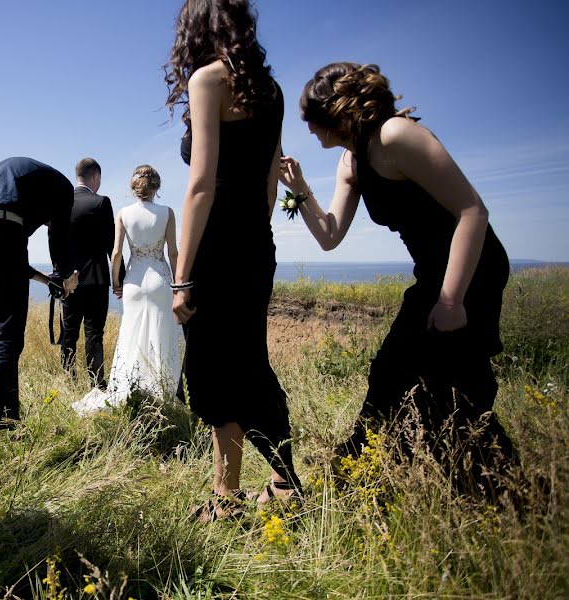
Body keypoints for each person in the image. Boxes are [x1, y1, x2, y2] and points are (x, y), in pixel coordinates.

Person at [279, 62, 519, 496]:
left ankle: (508, 494)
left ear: (333, 110)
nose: (309, 130)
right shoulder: (352, 161)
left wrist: (451, 301)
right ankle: (357, 482)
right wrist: (299, 190)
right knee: (391, 375)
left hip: (470, 273)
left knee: (456, 388)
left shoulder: (395, 135)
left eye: (310, 119)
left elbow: (473, 211)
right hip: (431, 275)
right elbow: (330, 236)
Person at [165, 0, 300, 521]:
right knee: (242, 361)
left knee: (219, 368)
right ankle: (233, 492)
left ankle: (276, 484)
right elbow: (269, 181)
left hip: (217, 244)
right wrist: (253, 235)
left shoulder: (208, 80)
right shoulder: (272, 91)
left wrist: (183, 277)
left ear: (195, 29)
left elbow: (199, 186)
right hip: (254, 242)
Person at [0, 157, 79, 467]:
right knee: (6, 343)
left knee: (4, 336)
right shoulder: (64, 190)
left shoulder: (22, 188)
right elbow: (59, 236)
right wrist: (65, 276)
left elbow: (6, 255)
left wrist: (44, 279)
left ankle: (10, 422)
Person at [72, 165, 183, 414]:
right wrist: (178, 284)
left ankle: (130, 388)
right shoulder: (167, 212)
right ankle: (164, 393)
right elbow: (173, 252)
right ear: (157, 186)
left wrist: (116, 282)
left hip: (133, 281)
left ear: (134, 187)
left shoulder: (123, 213)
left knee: (131, 336)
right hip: (160, 279)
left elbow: (116, 253)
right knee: (161, 336)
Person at [58, 158, 115, 390]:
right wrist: (119, 276)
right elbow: (111, 245)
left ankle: (69, 382)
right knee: (94, 333)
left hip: (68, 280)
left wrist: (60, 275)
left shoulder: (62, 204)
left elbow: (55, 243)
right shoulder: (101, 202)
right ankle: (97, 385)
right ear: (95, 177)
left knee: (69, 332)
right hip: (96, 279)